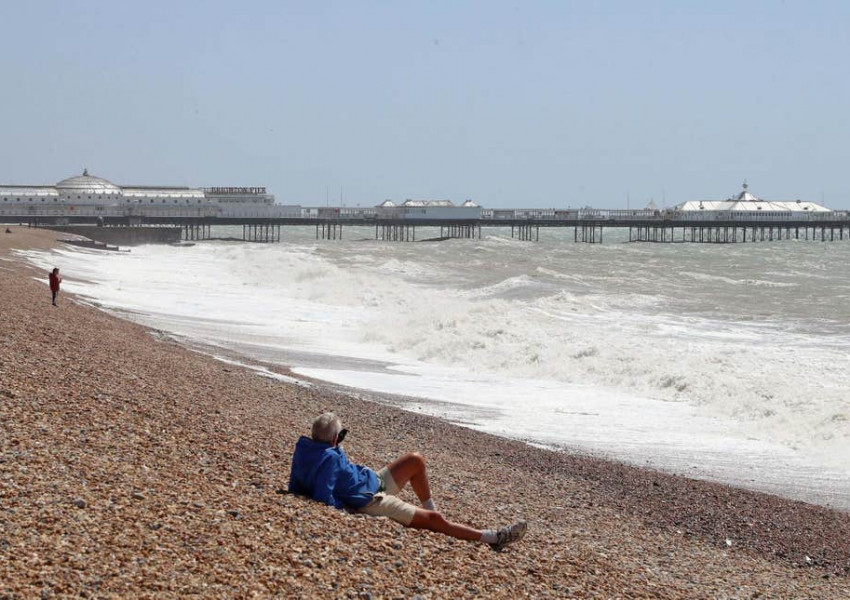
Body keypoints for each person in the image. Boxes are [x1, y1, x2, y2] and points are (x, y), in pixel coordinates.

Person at [288, 412, 527, 551]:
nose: (341, 440)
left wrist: (296, 492)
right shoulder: (329, 458)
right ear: (333, 439)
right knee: (434, 521)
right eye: (340, 436)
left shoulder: (305, 449)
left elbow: (296, 482)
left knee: (415, 460)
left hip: (370, 481)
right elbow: (323, 496)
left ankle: (433, 512)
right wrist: (348, 508)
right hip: (370, 500)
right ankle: (494, 538)